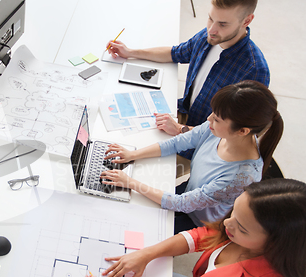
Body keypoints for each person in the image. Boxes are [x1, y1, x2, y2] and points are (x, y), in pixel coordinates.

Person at [84, 178, 306, 277]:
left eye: (242, 228)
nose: (227, 223)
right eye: (233, 212)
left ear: (275, 244)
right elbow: (201, 236)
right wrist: (147, 254)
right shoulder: (242, 226)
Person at [100, 80, 283, 233]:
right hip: (189, 192)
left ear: (242, 131)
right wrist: (133, 154)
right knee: (127, 208)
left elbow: (182, 204)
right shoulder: (217, 129)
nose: (209, 119)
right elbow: (177, 143)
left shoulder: (240, 177)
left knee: (136, 230)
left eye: (217, 119)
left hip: (199, 222)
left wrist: (130, 182)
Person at [107, 0, 269, 140]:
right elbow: (175, 53)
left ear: (246, 21)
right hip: (184, 115)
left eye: (222, 24)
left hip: (200, 143)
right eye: (210, 18)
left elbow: (232, 136)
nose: (211, 29)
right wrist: (130, 52)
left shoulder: (254, 71)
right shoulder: (210, 37)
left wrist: (179, 129)